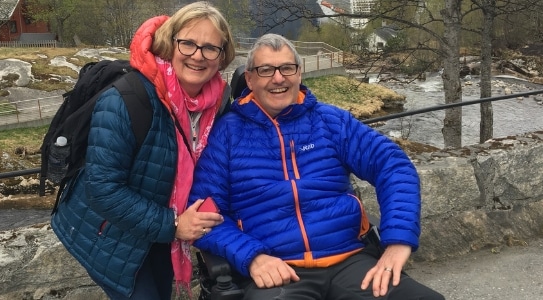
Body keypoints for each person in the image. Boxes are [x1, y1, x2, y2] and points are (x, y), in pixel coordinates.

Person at [188, 33, 444, 300]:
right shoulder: (226, 135)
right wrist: (252, 257)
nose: (278, 78)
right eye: (266, 70)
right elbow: (204, 216)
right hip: (277, 270)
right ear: (250, 79)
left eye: (287, 68)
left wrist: (399, 240)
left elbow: (393, 166)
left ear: (299, 73)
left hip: (351, 260)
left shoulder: (331, 121)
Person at [50, 2, 234, 299]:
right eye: (188, 44)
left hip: (159, 229)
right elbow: (103, 189)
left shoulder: (217, 103)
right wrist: (174, 225)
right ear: (169, 43)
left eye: (211, 48)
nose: (198, 56)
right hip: (110, 233)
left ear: (222, 56)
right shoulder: (126, 99)